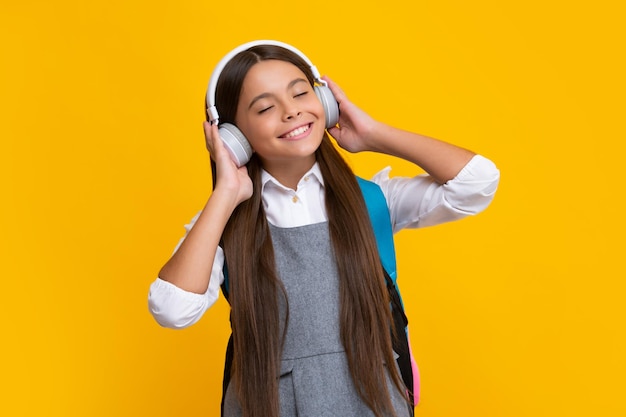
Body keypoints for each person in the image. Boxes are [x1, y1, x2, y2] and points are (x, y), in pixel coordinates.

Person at [148, 41, 500, 417]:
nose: (292, 111)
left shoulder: (373, 200)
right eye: (266, 107)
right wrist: (225, 194)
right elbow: (171, 309)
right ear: (233, 134)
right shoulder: (222, 223)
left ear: (325, 100)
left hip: (374, 402)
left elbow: (476, 183)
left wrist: (373, 135)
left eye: (300, 93)